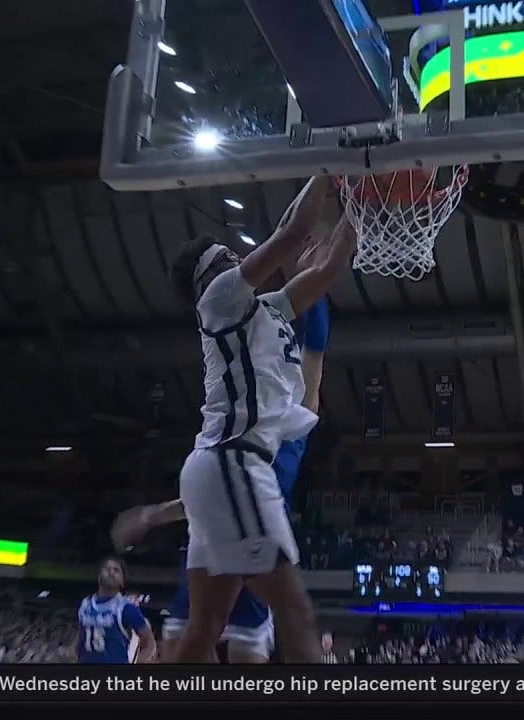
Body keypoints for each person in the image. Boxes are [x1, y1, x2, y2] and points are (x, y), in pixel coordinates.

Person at [165, 176, 353, 663]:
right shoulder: (219, 298)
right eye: (229, 258)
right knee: (294, 611)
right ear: (213, 276)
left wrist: (364, 206)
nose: (239, 261)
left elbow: (328, 268)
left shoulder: (268, 307)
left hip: (218, 467)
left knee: (205, 628)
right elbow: (290, 235)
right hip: (234, 464)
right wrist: (331, 167)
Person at [76, 557, 156, 664]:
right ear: (99, 575)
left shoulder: (127, 608)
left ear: (122, 581)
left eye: (116, 570)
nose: (111, 572)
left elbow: (149, 642)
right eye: (107, 569)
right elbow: (81, 637)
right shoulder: (85, 604)